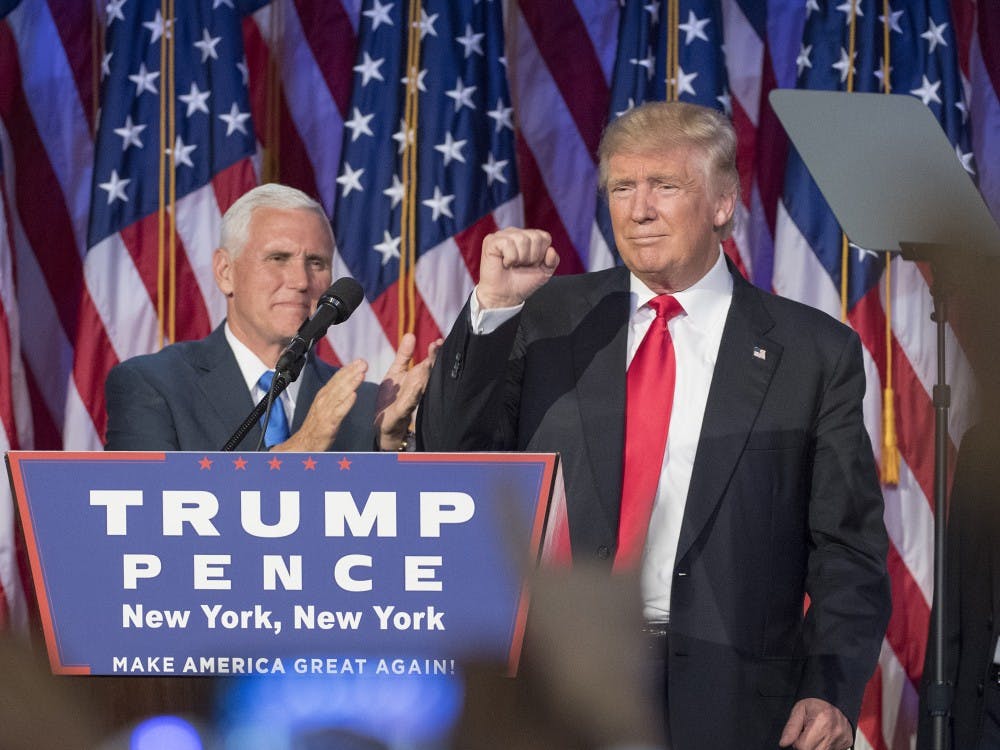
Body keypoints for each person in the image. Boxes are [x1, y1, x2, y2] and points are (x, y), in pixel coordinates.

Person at [418, 101, 891, 750]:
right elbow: (448, 460)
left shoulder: (813, 353)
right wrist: (494, 309)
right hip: (557, 686)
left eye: (664, 186)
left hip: (732, 697)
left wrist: (829, 686)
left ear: (723, 202)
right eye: (621, 187)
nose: (638, 209)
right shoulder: (546, 316)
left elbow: (847, 550)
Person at [105, 183, 438, 452]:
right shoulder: (152, 385)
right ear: (225, 272)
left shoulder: (366, 406)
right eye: (278, 258)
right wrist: (303, 446)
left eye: (317, 263)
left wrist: (391, 445)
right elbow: (145, 517)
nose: (301, 281)